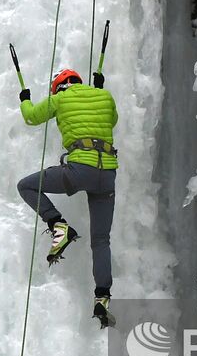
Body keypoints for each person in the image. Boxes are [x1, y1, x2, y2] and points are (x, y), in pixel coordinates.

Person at [16, 67, 119, 327]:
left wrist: (24, 97)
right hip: (106, 173)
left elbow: (30, 117)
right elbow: (112, 120)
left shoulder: (60, 98)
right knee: (101, 240)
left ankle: (58, 225)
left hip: (79, 169)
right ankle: (102, 296)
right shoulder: (104, 96)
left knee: (27, 186)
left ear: (59, 87)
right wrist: (98, 89)